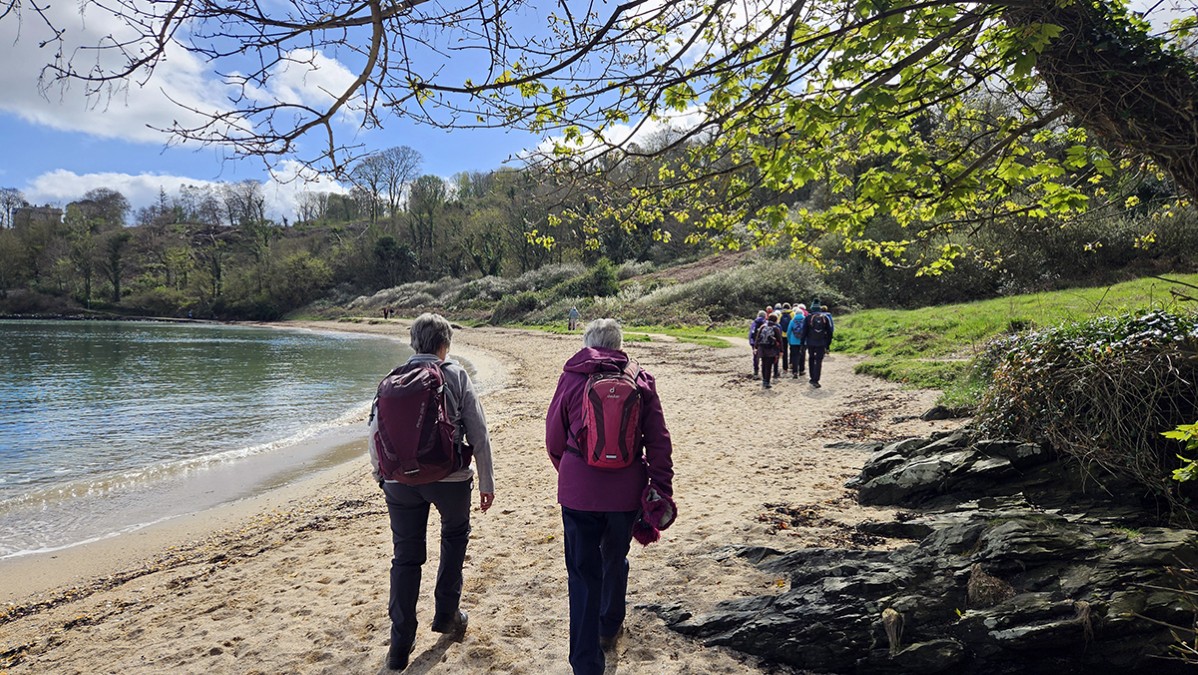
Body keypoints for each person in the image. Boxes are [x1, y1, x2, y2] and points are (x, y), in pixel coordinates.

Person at [546, 318, 675, 675]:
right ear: (619, 346)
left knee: (582, 574)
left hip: (578, 494)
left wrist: (573, 473)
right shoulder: (641, 380)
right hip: (625, 493)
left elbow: (554, 439)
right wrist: (660, 489)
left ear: (588, 343)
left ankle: (586, 664)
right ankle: (609, 625)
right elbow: (659, 441)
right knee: (615, 559)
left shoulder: (571, 377)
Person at [371, 313, 496, 672]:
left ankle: (400, 643)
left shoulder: (392, 379)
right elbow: (479, 433)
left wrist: (382, 475)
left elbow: (375, 432)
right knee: (454, 539)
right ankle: (446, 615)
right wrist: (486, 482)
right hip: (451, 478)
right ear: (445, 345)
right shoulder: (456, 374)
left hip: (399, 483)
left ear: (414, 344)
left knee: (406, 558)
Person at [801, 300, 835, 388]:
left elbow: (804, 331)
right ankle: (816, 379)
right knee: (819, 361)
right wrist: (828, 344)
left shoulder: (808, 318)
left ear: (812, 308)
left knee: (811, 358)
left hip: (810, 342)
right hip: (821, 342)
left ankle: (812, 377)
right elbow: (830, 331)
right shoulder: (825, 317)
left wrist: (802, 343)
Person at [755, 313, 784, 389]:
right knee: (769, 365)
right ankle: (767, 382)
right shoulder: (775, 328)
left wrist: (756, 347)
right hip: (771, 349)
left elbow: (757, 338)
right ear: (776, 320)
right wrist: (781, 350)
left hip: (762, 348)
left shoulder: (763, 327)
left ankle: (764, 380)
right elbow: (780, 340)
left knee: (763, 364)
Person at [787, 304, 806, 379]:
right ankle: (801, 370)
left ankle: (795, 372)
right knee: (802, 355)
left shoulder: (792, 321)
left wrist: (789, 341)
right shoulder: (805, 320)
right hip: (803, 341)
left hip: (793, 341)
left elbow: (788, 332)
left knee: (795, 356)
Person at [748, 310, 767, 378]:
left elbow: (751, 333)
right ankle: (764, 372)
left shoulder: (754, 322)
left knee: (756, 357)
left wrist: (751, 342)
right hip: (763, 342)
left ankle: (756, 371)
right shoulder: (765, 323)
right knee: (764, 357)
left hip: (754, 342)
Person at [777, 303, 794, 374]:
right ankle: (792, 364)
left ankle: (785, 368)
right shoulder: (792, 313)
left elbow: (778, 324)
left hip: (783, 335)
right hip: (791, 335)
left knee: (784, 351)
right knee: (793, 350)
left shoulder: (781, 314)